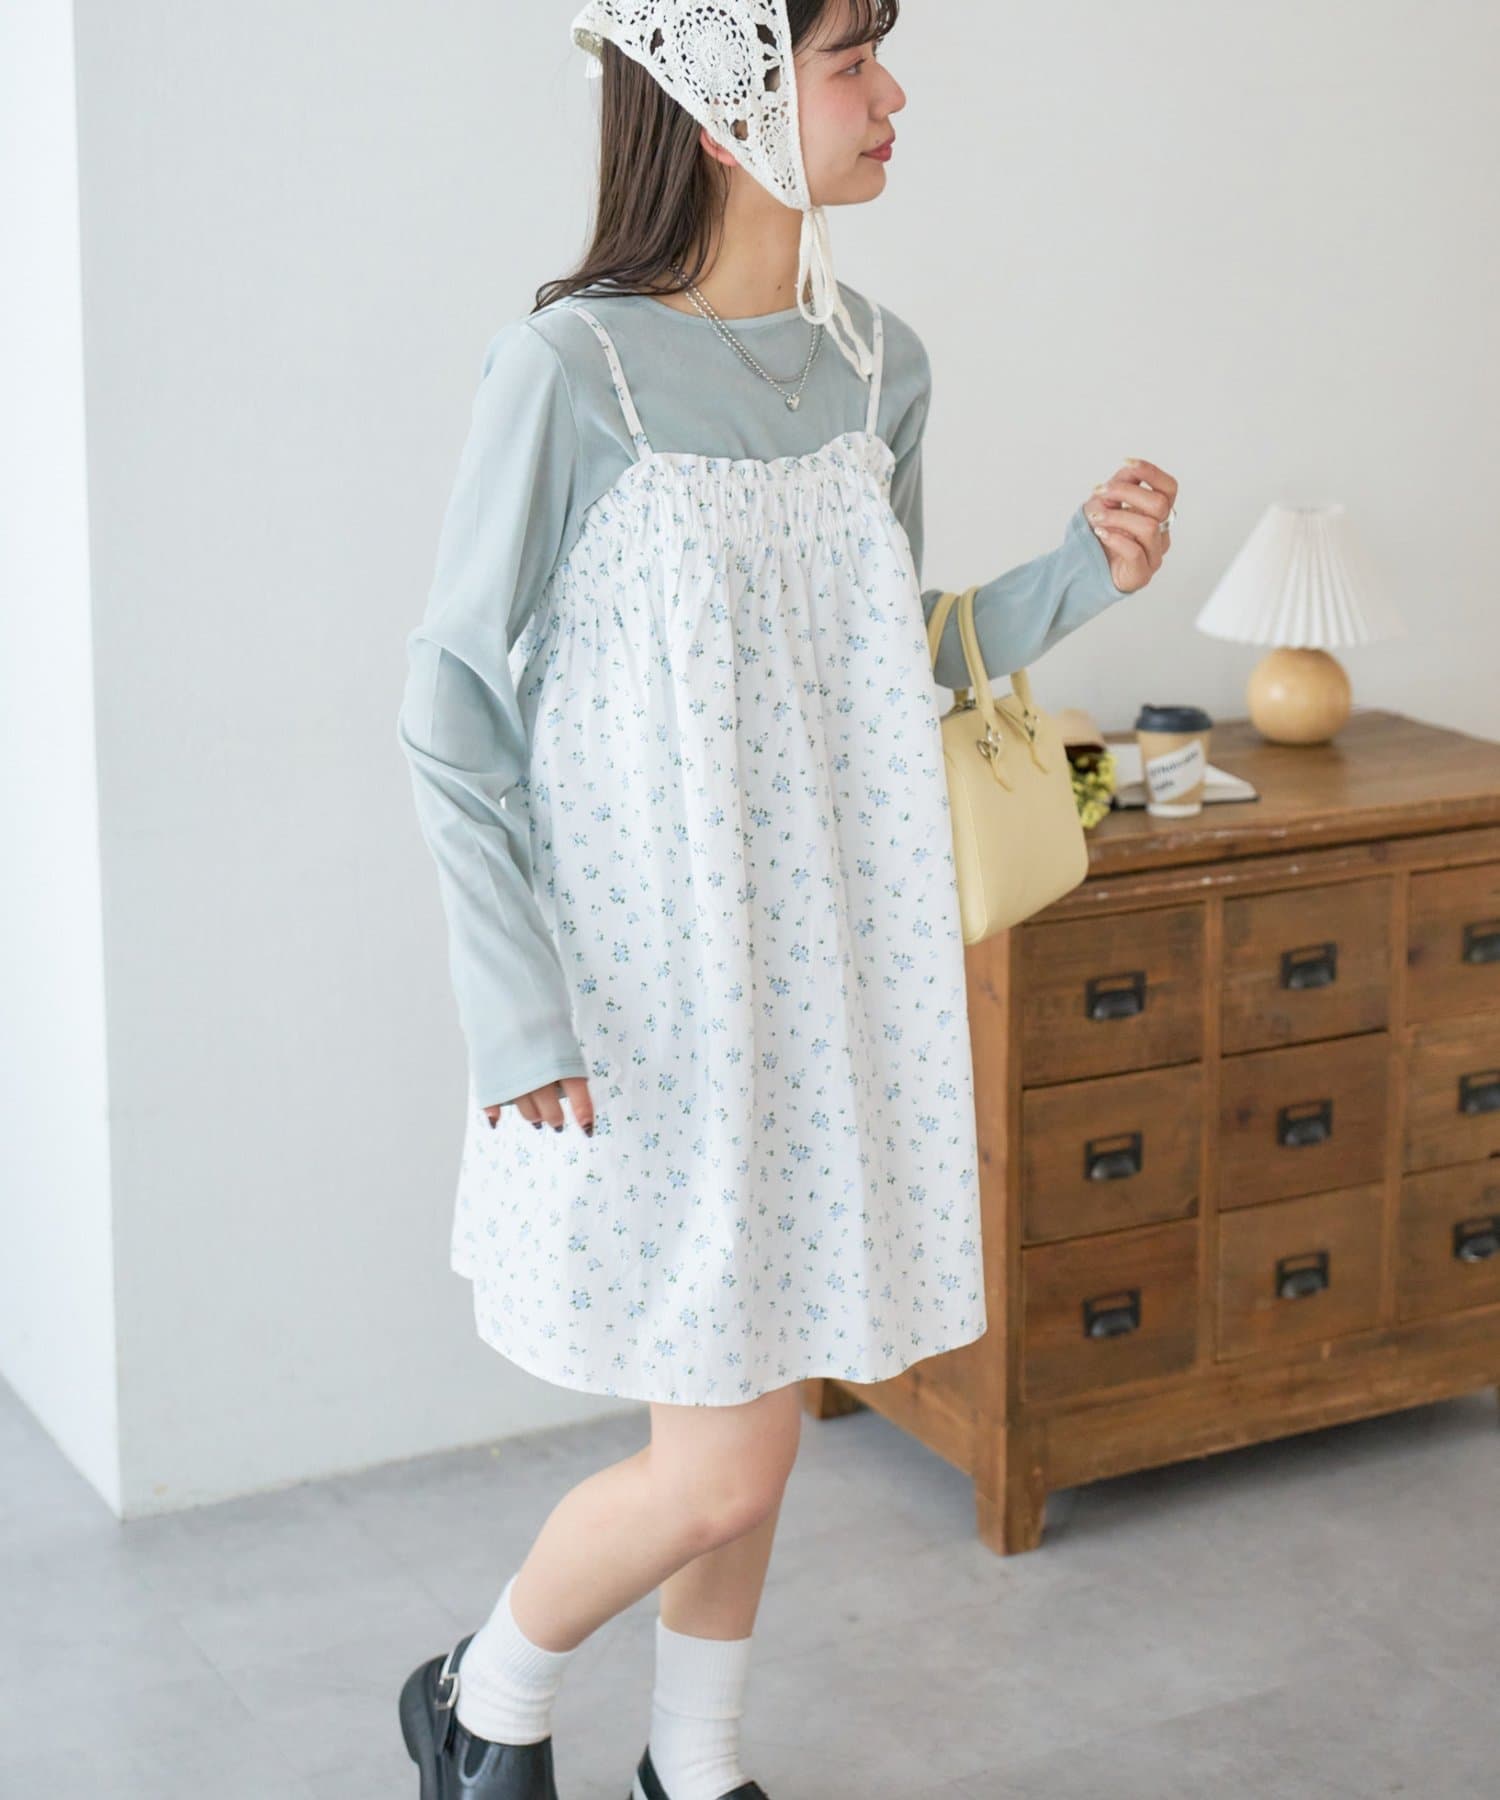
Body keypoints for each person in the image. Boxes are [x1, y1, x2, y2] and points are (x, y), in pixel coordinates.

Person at [394, 2, 1179, 1795]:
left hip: (820, 975)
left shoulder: (878, 362)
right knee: (723, 1459)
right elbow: (450, 706)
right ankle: (477, 1695)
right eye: (850, 57)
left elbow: (879, 660)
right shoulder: (568, 373)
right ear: (727, 94)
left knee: (755, 1396)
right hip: (641, 995)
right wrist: (514, 1006)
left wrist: (1082, 574)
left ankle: (697, 1765)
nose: (893, 94)